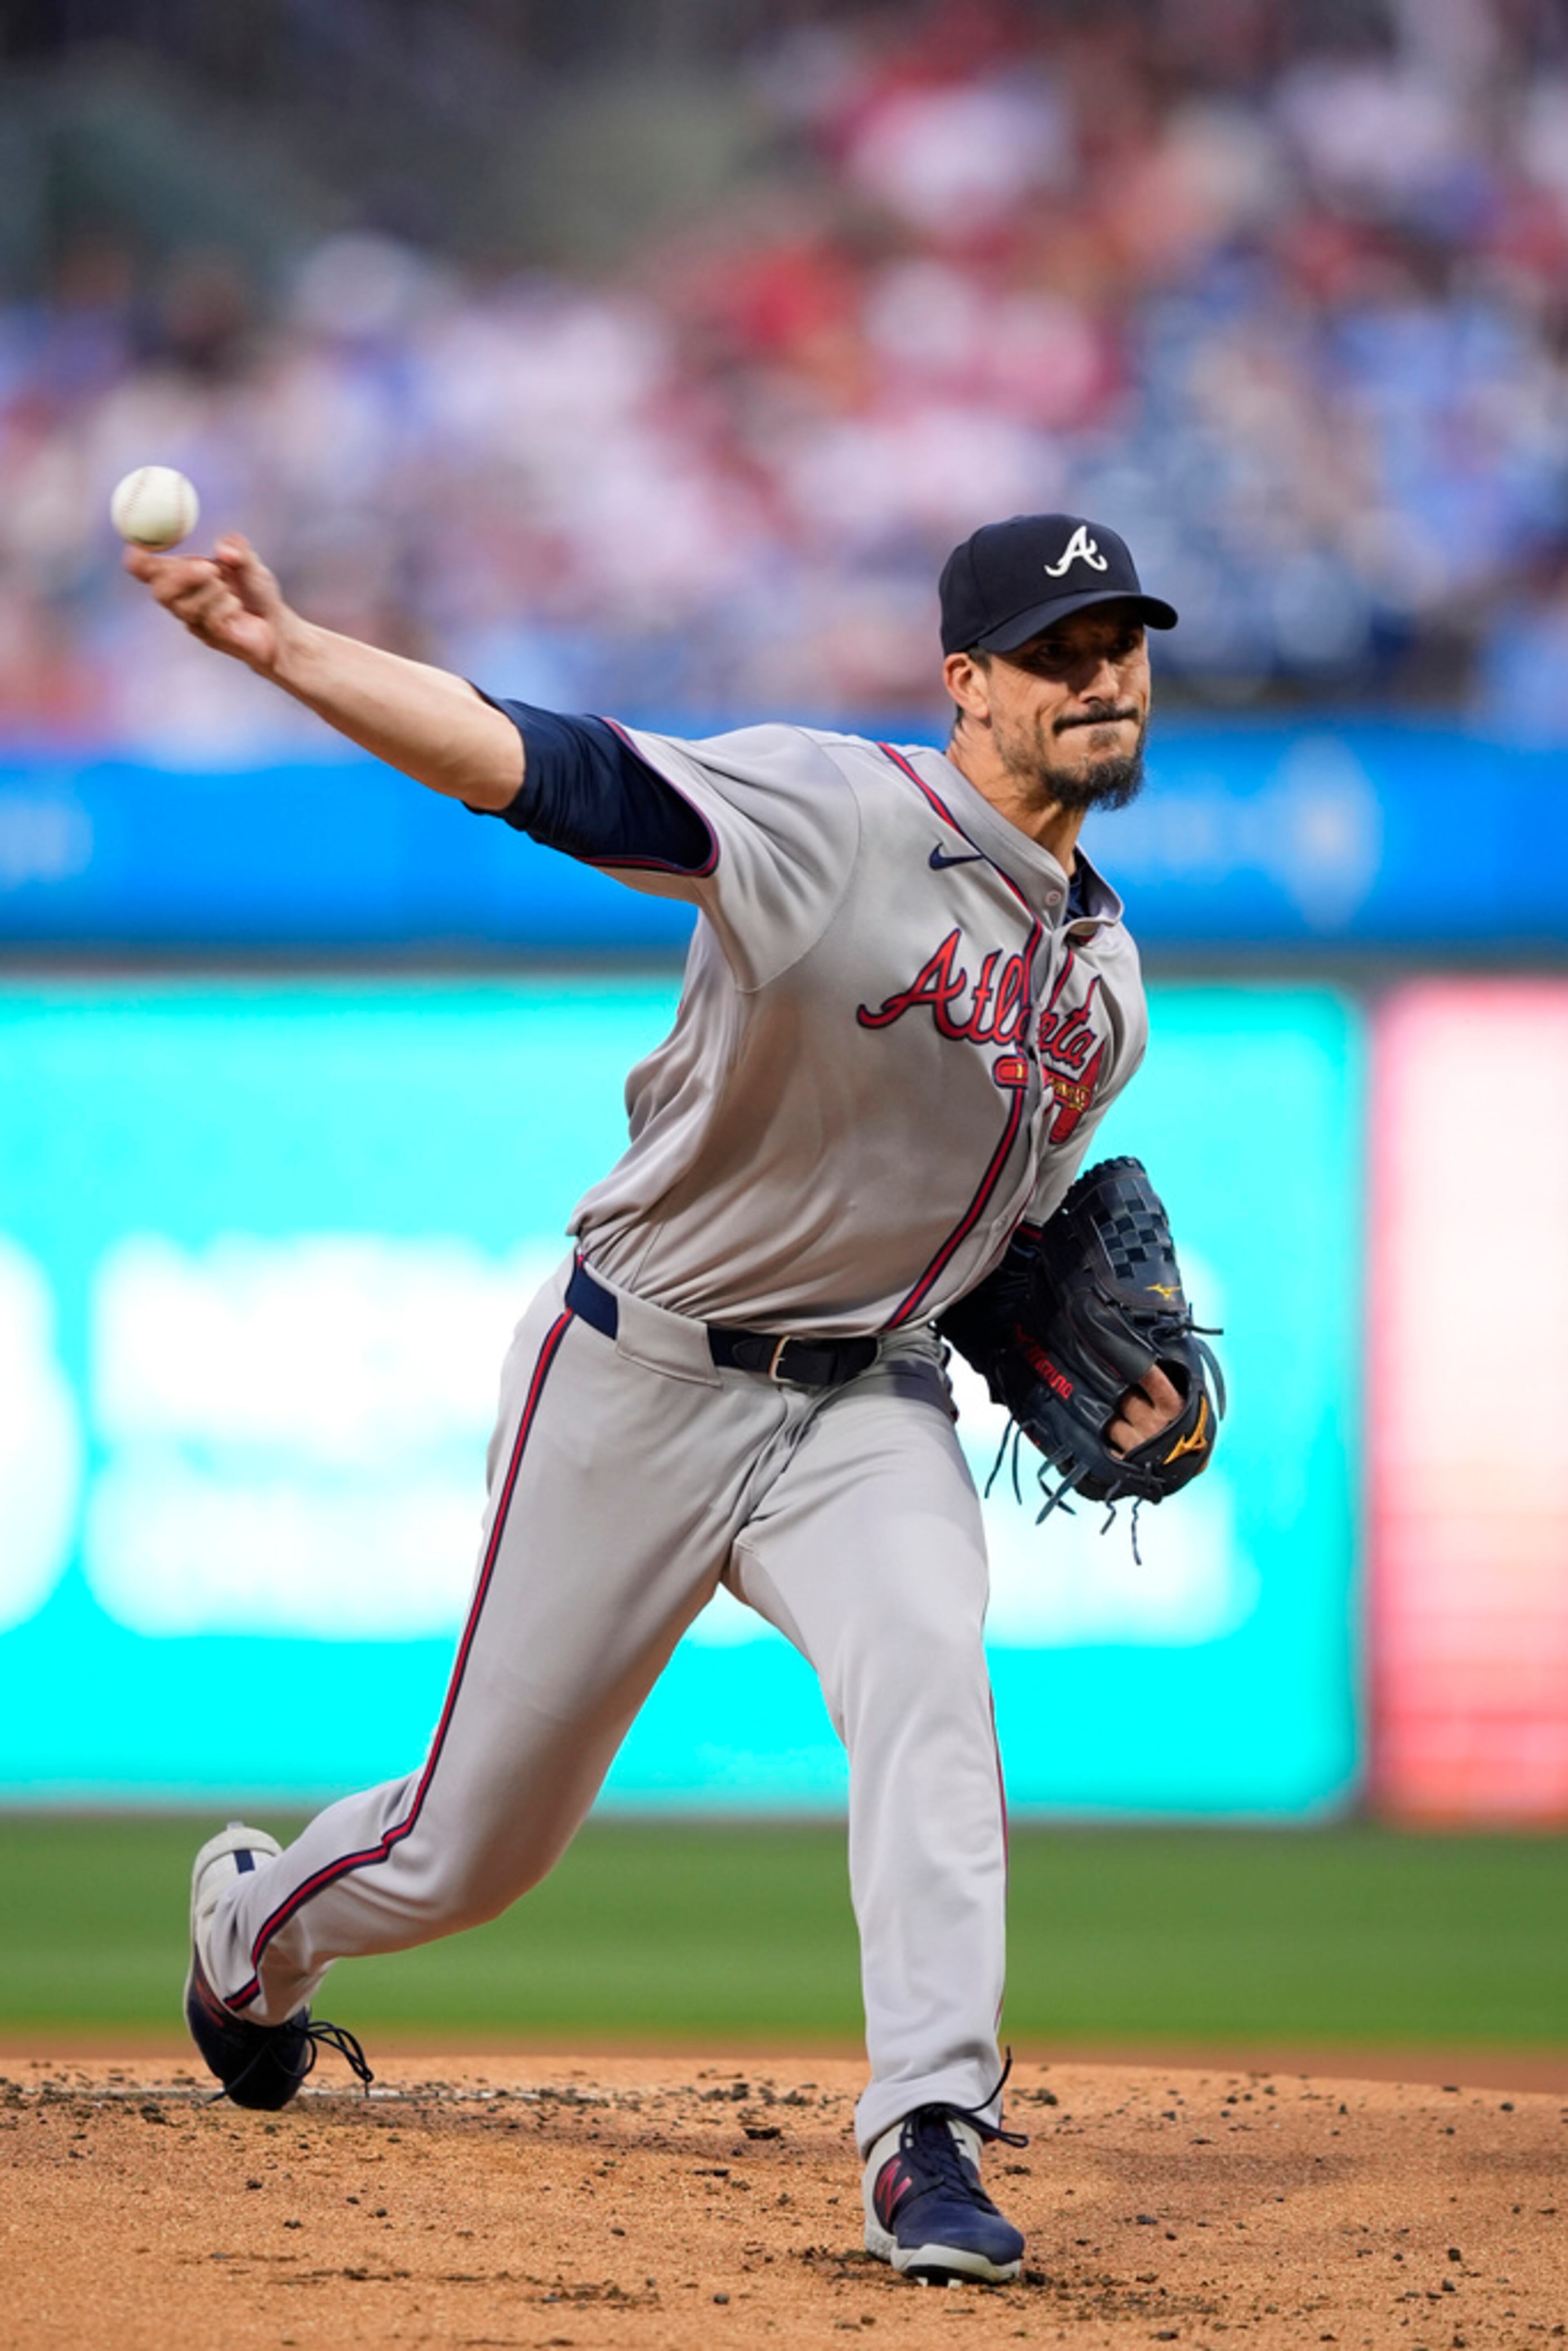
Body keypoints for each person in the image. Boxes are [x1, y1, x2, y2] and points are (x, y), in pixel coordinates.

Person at [129, 510, 1183, 2286]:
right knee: (470, 1849)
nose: (1104, 678)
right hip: (641, 1370)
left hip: (863, 1411)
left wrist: (1101, 1371)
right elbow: (553, 771)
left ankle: (926, 2135)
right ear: (968, 685)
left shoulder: (1108, 989)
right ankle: (252, 1933)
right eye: (1059, 653)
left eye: (1122, 645)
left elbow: (994, 1259)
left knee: (930, 1673)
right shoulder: (838, 816)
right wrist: (289, 651)